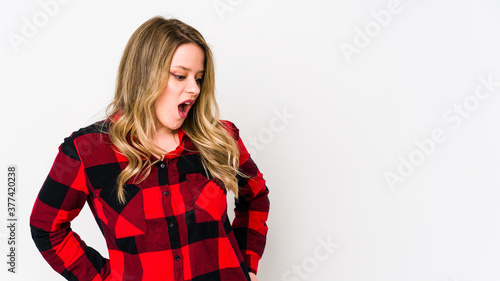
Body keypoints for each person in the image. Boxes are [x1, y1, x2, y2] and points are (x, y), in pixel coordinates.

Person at [29, 16, 270, 281]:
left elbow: (255, 196)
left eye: (199, 78)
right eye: (180, 76)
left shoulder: (220, 138)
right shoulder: (86, 151)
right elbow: (46, 228)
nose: (194, 89)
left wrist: (246, 264)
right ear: (144, 75)